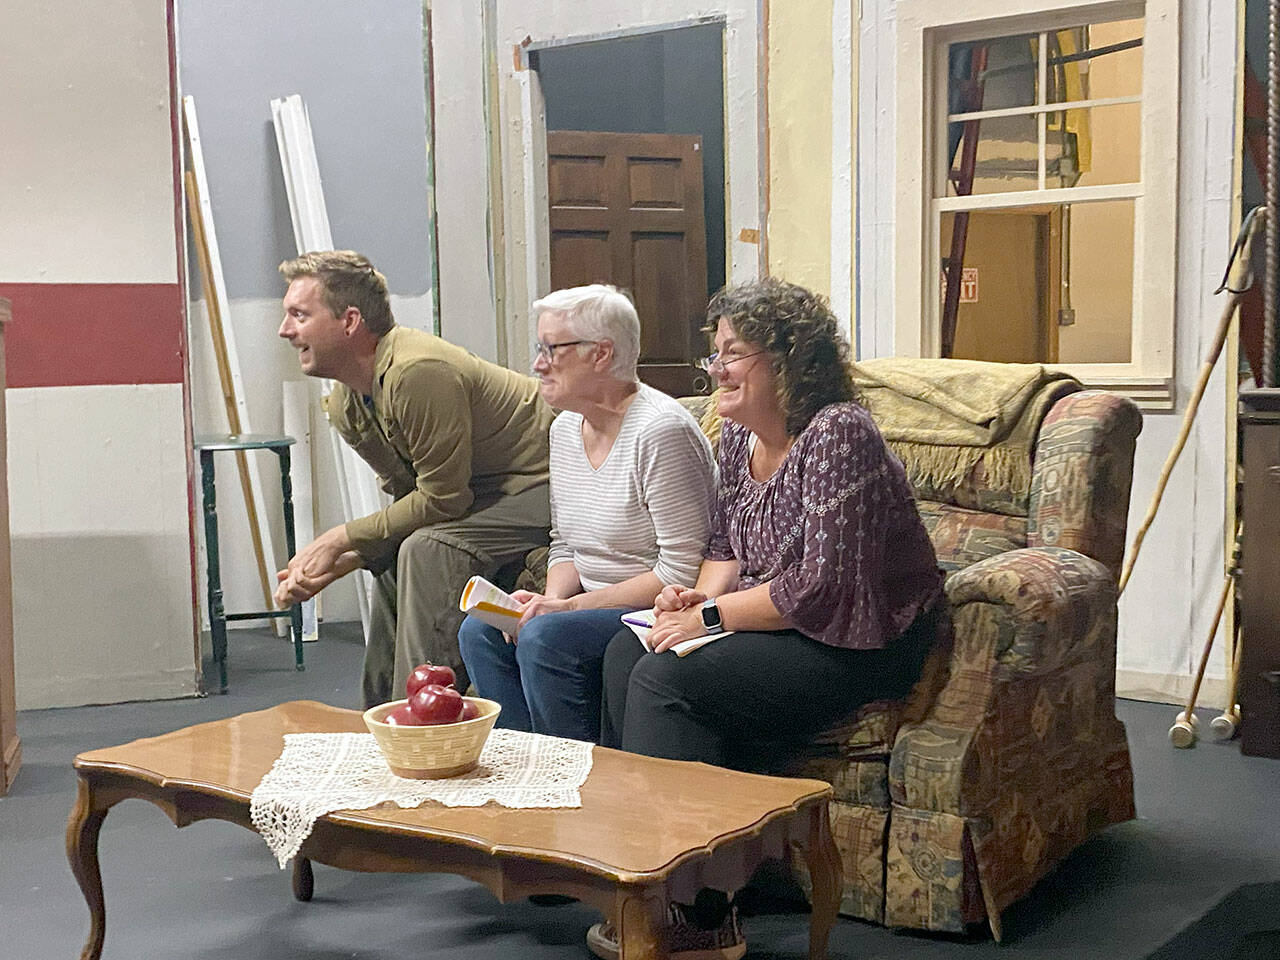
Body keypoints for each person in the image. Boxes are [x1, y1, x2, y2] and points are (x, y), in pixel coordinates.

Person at [587, 278, 944, 960]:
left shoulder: (839, 434)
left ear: (790, 361)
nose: (716, 370)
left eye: (735, 353)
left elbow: (824, 586)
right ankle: (656, 877)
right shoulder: (734, 438)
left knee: (666, 680)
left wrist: (712, 617)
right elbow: (724, 549)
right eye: (713, 355)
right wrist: (692, 602)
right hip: (785, 617)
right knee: (623, 654)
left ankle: (696, 913)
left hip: (861, 637)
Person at [273, 251, 554, 708]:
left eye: (299, 315)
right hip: (487, 491)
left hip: (547, 480)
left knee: (429, 548)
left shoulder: (416, 371)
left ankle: (422, 715)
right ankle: (378, 719)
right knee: (395, 556)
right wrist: (347, 559)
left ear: (349, 321)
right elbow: (413, 497)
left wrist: (336, 539)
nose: (285, 331)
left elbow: (444, 499)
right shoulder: (348, 404)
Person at [457, 285, 716, 743]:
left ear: (601, 354)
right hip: (587, 605)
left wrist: (565, 610)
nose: (538, 364)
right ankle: (526, 765)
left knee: (544, 638)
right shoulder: (563, 431)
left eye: (551, 350)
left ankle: (578, 778)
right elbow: (565, 542)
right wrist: (544, 603)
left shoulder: (660, 431)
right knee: (480, 630)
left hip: (650, 610)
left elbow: (683, 571)